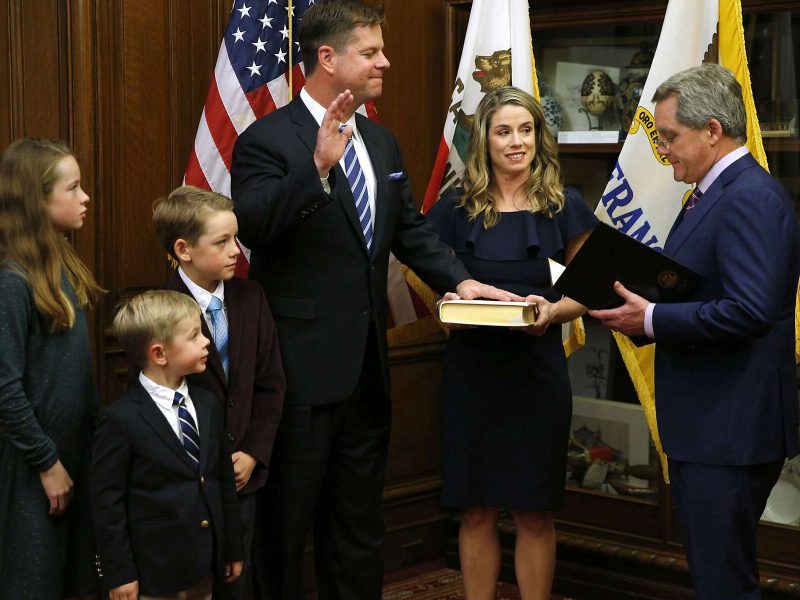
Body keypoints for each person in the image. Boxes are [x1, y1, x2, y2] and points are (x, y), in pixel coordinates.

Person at [230, 1, 521, 597]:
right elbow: (252, 227)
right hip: (298, 375)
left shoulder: (381, 142)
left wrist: (458, 281)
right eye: (371, 52)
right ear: (328, 58)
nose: (385, 61)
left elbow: (409, 230)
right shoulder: (267, 139)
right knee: (284, 532)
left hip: (366, 372)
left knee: (359, 527)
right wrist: (314, 169)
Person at [590, 63, 799, 599]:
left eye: (671, 137)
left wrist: (653, 319)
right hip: (710, 424)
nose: (664, 151)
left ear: (712, 130)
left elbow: (750, 310)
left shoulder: (749, 196)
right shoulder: (711, 192)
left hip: (729, 429)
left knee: (724, 582)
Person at [426, 86, 597, 600]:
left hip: (536, 373)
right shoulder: (455, 207)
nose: (516, 142)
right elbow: (431, 276)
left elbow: (585, 290)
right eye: (504, 131)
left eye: (526, 130)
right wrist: (449, 307)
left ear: (539, 137)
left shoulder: (565, 204)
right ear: (485, 140)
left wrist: (552, 310)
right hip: (471, 373)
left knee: (532, 509)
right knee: (475, 507)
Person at [152, 185, 286, 599]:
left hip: (242, 475)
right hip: (189, 482)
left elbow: (270, 383)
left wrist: (255, 452)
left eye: (236, 238)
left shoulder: (251, 297)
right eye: (222, 242)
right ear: (184, 249)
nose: (236, 251)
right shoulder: (160, 308)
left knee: (237, 581)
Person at [0, 138, 104, 599]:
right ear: (36, 200)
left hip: (74, 457)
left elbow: (77, 375)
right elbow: (4, 386)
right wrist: (46, 463)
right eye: (73, 187)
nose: (85, 198)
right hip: (32, 469)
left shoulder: (62, 262)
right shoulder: (12, 282)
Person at [92, 290, 244, 600]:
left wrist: (232, 546)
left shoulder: (208, 404)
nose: (207, 342)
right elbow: (108, 503)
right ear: (159, 354)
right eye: (194, 336)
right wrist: (120, 572)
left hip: (204, 567)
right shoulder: (120, 419)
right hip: (153, 575)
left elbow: (223, 480)